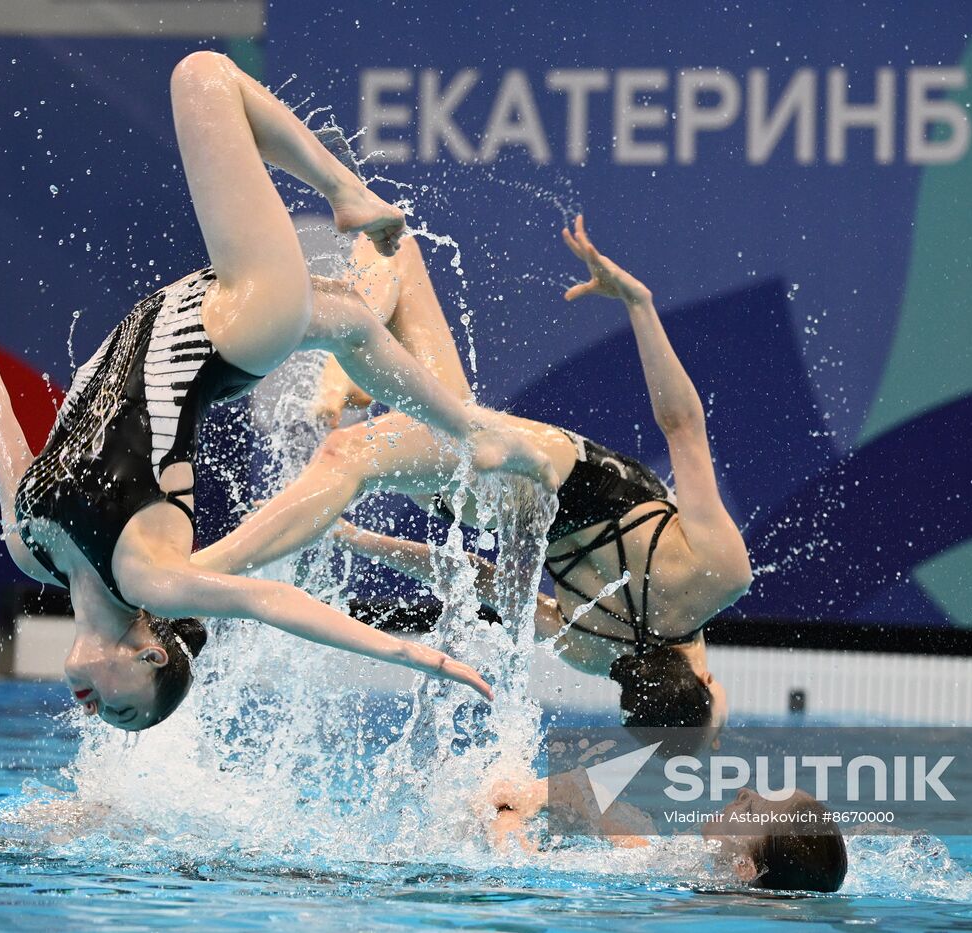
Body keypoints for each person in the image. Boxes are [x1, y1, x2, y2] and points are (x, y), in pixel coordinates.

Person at [0, 52, 556, 731]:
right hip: (236, 327)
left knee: (354, 322)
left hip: (201, 306)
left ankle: (472, 430)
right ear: (152, 655)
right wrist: (421, 657)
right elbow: (271, 601)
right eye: (125, 708)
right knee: (201, 77)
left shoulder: (33, 548)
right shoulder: (151, 577)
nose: (96, 711)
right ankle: (345, 193)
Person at [192, 216, 755, 753]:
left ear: (705, 681)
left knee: (347, 454)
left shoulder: (720, 575)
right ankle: (351, 367)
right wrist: (361, 543)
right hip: (465, 493)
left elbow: (681, 424)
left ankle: (195, 577)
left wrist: (640, 303)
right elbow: (484, 581)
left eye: (719, 725)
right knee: (395, 252)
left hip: (498, 466)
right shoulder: (590, 652)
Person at [486, 772, 849, 893]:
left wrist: (507, 814)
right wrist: (536, 796)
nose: (745, 793)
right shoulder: (685, 871)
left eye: (753, 808)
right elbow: (595, 810)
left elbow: (514, 877)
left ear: (744, 867)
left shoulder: (672, 899)